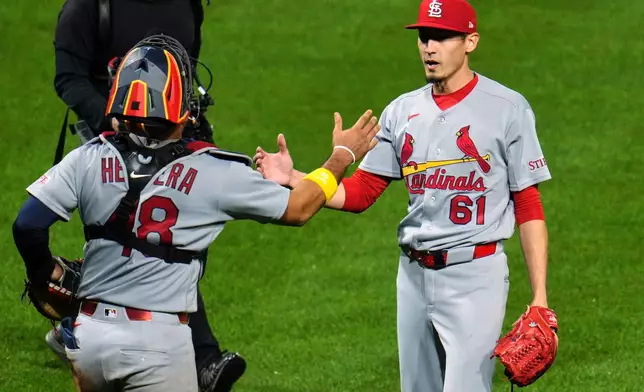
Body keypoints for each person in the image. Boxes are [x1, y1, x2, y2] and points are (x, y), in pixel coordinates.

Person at [13, 34, 380, 391]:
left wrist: (47, 272)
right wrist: (341, 156)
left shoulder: (88, 156)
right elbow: (300, 208)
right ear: (184, 110)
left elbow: (27, 225)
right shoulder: (213, 171)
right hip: (157, 347)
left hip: (88, 339)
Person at [253, 0, 557, 391]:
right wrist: (295, 177)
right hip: (412, 276)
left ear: (470, 42)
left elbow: (528, 204)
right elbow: (362, 192)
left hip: (474, 277)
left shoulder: (507, 109)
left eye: (443, 37)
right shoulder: (401, 111)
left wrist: (540, 296)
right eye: (424, 37)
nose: (430, 47)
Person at [50, 2, 236, 390]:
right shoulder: (89, 6)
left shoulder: (186, 3)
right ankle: (204, 358)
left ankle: (82, 309)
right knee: (152, 245)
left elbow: (184, 70)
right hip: (116, 142)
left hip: (177, 135)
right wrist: (112, 117)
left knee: (179, 244)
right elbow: (68, 78)